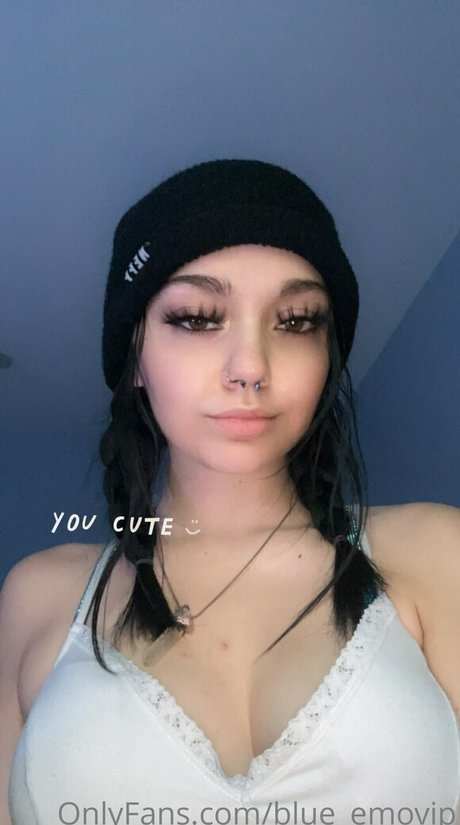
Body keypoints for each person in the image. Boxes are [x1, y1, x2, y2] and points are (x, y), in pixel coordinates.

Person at [2, 158, 459, 824]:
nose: (250, 366)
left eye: (296, 320)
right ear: (134, 356)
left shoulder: (436, 552)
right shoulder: (38, 595)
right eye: (196, 318)